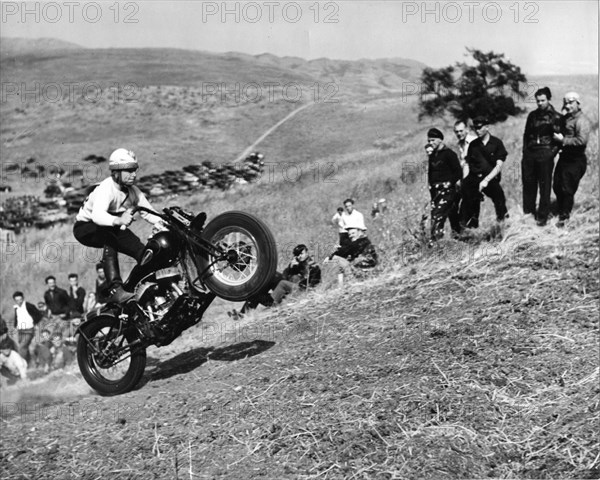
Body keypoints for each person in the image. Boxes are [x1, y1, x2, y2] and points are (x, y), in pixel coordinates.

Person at [73, 148, 163, 304]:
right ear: (115, 172)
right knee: (109, 235)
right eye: (128, 171)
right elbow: (98, 216)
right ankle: (115, 289)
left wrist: (164, 223)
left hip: (111, 227)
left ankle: (141, 287)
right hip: (86, 227)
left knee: (142, 252)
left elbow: (149, 213)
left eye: (134, 170)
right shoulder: (106, 188)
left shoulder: (134, 191)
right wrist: (119, 221)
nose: (133, 174)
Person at [522, 87, 562, 226]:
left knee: (544, 187)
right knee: (528, 185)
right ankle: (528, 215)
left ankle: (542, 218)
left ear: (548, 99)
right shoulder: (532, 115)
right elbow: (526, 135)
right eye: (537, 101)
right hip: (530, 154)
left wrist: (550, 154)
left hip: (545, 153)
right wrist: (525, 152)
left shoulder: (556, 117)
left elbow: (559, 140)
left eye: (542, 100)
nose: (540, 103)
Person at [460, 116, 509, 229]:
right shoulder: (473, 145)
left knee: (499, 197)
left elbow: (498, 166)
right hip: (474, 177)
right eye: (475, 128)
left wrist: (486, 180)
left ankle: (502, 225)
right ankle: (469, 229)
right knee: (468, 202)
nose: (477, 130)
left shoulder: (496, 143)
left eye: (480, 127)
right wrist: (465, 180)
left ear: (487, 127)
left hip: (490, 178)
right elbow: (468, 163)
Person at [552, 92, 592, 227]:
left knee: (567, 188)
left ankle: (564, 217)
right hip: (565, 158)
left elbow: (582, 140)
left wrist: (563, 140)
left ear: (578, 103)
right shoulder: (567, 118)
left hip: (576, 159)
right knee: (557, 185)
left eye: (570, 102)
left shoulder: (582, 120)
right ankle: (560, 210)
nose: (567, 105)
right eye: (565, 102)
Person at [426, 128, 462, 240]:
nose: (431, 143)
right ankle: (457, 239)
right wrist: (431, 188)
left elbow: (458, 172)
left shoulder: (449, 154)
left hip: (448, 192)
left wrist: (449, 184)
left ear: (440, 139)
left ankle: (437, 243)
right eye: (429, 141)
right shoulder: (432, 156)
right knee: (448, 216)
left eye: (433, 140)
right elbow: (430, 174)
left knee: (439, 216)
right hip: (436, 192)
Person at [13, 291, 43, 363]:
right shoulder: (16, 308)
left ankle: (22, 365)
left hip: (29, 330)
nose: (19, 301)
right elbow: (17, 317)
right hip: (20, 330)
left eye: (20, 299)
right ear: (14, 300)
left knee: (22, 347)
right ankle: (30, 363)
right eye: (17, 300)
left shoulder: (29, 306)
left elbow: (39, 315)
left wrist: (35, 323)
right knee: (25, 348)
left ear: (23, 298)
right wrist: (15, 326)